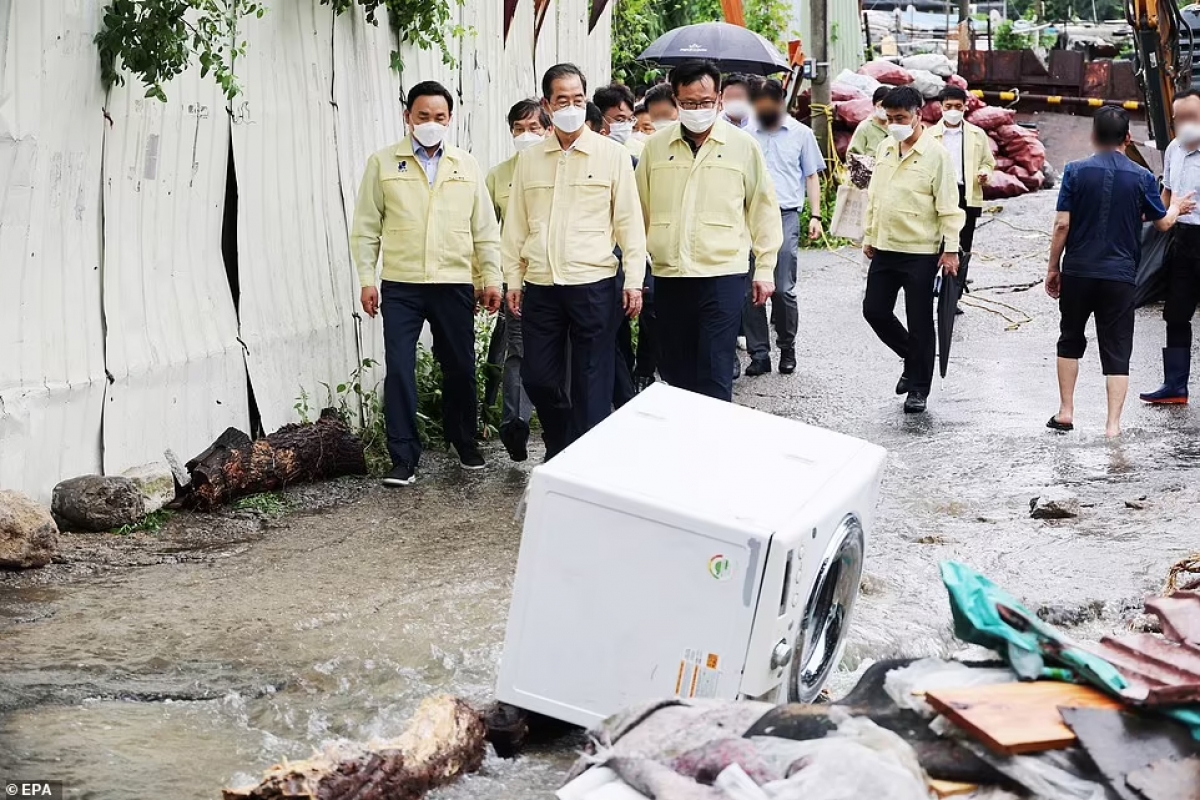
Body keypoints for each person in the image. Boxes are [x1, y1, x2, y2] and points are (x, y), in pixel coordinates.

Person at [351, 80, 502, 486]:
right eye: (423, 116)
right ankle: (403, 456)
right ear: (408, 118)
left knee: (460, 368)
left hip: (454, 282)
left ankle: (464, 440)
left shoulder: (465, 165)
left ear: (449, 119)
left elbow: (485, 229)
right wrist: (368, 279)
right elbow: (366, 228)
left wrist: (491, 277)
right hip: (402, 285)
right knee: (400, 368)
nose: (431, 123)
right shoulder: (383, 163)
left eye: (439, 117)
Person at [503, 64, 647, 459]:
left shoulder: (612, 156)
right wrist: (513, 281)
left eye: (578, 99)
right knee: (539, 377)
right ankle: (564, 439)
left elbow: (630, 224)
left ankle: (588, 462)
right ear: (548, 106)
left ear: (586, 102)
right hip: (543, 286)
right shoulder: (530, 160)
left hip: (594, 283)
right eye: (562, 100)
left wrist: (633, 280)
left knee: (592, 380)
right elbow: (515, 226)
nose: (571, 106)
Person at [635, 59, 783, 402]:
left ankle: (713, 448)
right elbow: (638, 210)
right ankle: (689, 443)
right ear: (675, 100)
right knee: (675, 368)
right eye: (688, 103)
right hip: (670, 274)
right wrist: (634, 269)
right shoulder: (656, 148)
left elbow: (762, 207)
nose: (697, 110)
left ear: (718, 99)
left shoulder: (742, 146)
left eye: (704, 102)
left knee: (715, 369)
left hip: (722, 273)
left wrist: (764, 268)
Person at [1046, 107, 1194, 436]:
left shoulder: (1074, 171)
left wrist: (1053, 268)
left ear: (1094, 136)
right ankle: (1112, 425)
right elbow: (1164, 224)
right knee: (1117, 347)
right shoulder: (1142, 178)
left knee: (1070, 338)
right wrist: (1177, 207)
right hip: (1120, 276)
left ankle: (1066, 411)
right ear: (1128, 139)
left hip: (1079, 272)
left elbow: (1061, 225)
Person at [861, 86, 965, 415]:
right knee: (874, 310)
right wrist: (870, 235)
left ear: (918, 115)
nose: (895, 124)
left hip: (921, 251)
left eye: (901, 118)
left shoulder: (937, 155)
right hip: (886, 247)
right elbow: (876, 196)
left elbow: (949, 207)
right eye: (889, 118)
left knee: (920, 320)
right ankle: (912, 355)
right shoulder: (884, 148)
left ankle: (918, 388)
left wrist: (951, 251)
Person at [742, 78, 825, 377]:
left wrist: (815, 215)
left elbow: (812, 175)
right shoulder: (745, 134)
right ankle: (759, 353)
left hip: (786, 214)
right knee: (750, 287)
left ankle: (786, 347)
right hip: (749, 216)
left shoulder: (801, 134)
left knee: (783, 289)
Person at [482, 99, 551, 462]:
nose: (526, 135)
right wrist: (491, 279)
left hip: (559, 279)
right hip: (517, 283)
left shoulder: (561, 169)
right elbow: (486, 233)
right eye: (519, 129)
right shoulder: (497, 177)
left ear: (548, 128)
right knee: (518, 352)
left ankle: (562, 425)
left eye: (534, 128)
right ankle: (515, 423)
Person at [1141, 89, 1200, 405]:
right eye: (1180, 118)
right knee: (1176, 314)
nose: (1186, 124)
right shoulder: (1174, 149)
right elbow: (1165, 196)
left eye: (1193, 117)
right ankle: (1175, 386)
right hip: (1181, 240)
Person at [928, 86, 994, 299]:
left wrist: (984, 173)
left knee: (962, 249)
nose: (953, 110)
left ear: (966, 107)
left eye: (958, 106)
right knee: (936, 246)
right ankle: (930, 290)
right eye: (949, 106)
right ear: (941, 108)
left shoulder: (977, 134)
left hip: (967, 194)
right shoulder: (929, 136)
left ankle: (953, 296)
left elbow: (988, 162)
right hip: (938, 196)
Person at [595, 83, 644, 158]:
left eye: (630, 120)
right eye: (620, 120)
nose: (626, 125)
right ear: (600, 118)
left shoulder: (638, 151)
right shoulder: (588, 148)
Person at [848, 86, 891, 157]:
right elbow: (853, 155)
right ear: (874, 105)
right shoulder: (865, 127)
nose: (884, 109)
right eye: (881, 105)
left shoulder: (895, 126)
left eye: (888, 106)